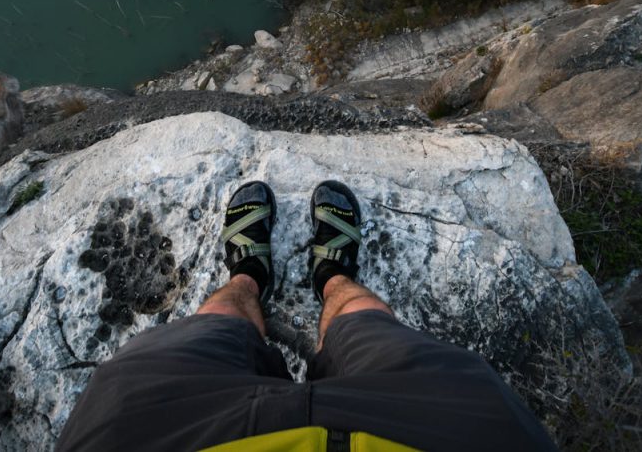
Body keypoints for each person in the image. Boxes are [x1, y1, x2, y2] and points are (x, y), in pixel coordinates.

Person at [56, 180, 558, 451]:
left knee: (202, 333)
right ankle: (332, 279)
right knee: (366, 325)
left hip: (181, 433)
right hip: (427, 431)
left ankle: (248, 275)